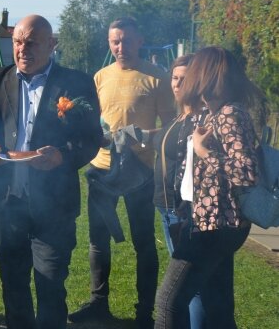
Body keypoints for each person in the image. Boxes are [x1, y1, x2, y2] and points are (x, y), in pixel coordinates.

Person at [0, 15, 101, 329]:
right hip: (5, 203)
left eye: (32, 42)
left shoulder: (76, 83)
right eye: (17, 42)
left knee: (51, 287)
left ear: (52, 44)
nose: (22, 49)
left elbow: (91, 138)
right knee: (13, 288)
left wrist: (63, 155)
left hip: (53, 207)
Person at [69, 17, 175, 328]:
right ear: (109, 43)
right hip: (101, 169)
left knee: (143, 241)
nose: (121, 47)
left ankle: (145, 311)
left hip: (140, 172)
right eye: (115, 41)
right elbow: (93, 121)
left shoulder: (157, 78)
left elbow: (171, 130)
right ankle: (98, 303)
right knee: (97, 241)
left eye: (126, 41)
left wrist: (140, 135)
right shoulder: (100, 77)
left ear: (139, 41)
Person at [155, 47, 264, 328]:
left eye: (193, 72)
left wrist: (206, 153)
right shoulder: (215, 112)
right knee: (218, 306)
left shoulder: (230, 114)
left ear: (205, 75)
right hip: (214, 223)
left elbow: (247, 172)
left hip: (215, 227)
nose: (187, 79)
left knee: (168, 301)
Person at [152, 54, 205, 328]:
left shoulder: (198, 118)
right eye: (174, 77)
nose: (178, 83)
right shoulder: (181, 115)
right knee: (187, 285)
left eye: (185, 78)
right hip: (167, 207)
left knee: (188, 287)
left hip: (184, 211)